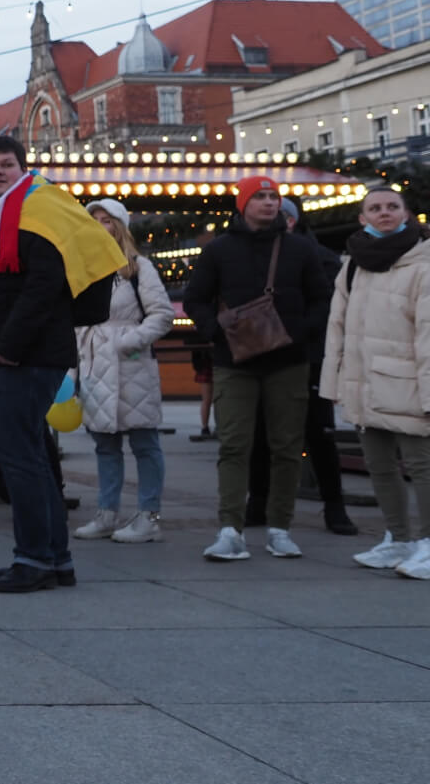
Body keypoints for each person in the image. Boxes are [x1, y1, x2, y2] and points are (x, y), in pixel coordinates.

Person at [0, 136, 125, 593]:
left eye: (5, 165)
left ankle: (33, 560)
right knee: (30, 457)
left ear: (22, 169)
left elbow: (44, 288)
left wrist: (7, 347)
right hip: (3, 356)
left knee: (20, 461)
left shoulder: (39, 211)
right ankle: (55, 559)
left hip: (27, 357)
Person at [184, 176, 335, 563]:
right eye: (260, 197)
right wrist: (215, 329)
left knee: (287, 446)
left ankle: (280, 529)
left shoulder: (301, 249)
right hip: (234, 361)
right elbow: (196, 298)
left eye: (274, 197)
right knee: (235, 443)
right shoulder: (219, 250)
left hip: (288, 360)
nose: (269, 203)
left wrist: (298, 331)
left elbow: (323, 299)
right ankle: (230, 530)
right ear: (243, 203)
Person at [320, 187, 430, 577]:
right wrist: (332, 383)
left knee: (422, 466)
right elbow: (337, 327)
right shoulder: (353, 264)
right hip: (364, 382)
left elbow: (428, 334)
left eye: (392, 207)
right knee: (379, 466)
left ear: (407, 214)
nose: (384, 213)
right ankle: (398, 539)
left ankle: (428, 544)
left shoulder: (423, 262)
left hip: (409, 384)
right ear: (363, 218)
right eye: (375, 208)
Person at [242, 198, 358, 536]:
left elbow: (329, 307)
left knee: (318, 434)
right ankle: (258, 501)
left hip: (308, 357)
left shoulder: (317, 256)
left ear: (291, 221)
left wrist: (300, 333)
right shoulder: (252, 252)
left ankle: (334, 506)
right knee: (261, 434)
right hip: (264, 355)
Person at [70, 199, 174, 545]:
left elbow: (161, 313)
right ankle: (107, 513)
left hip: (131, 366)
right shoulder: (84, 270)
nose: (101, 226)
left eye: (108, 220)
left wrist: (129, 341)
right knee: (105, 446)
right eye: (95, 220)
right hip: (94, 366)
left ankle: (150, 515)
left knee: (145, 442)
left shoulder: (138, 268)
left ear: (120, 226)